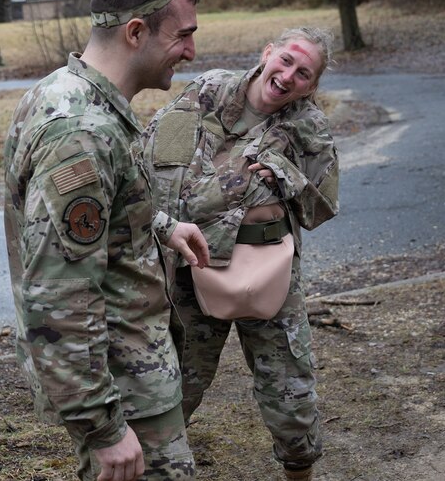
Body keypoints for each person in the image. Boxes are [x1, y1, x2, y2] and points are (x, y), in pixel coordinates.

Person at [3, 0, 211, 481]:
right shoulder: (81, 133)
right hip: (122, 388)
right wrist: (103, 429)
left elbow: (99, 217)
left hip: (127, 374)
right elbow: (57, 297)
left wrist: (162, 227)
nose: (191, 50)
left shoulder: (71, 94)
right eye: (182, 35)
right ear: (136, 32)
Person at [142, 27, 339, 481]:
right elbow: (151, 160)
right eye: (286, 60)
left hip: (268, 269)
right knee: (174, 386)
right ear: (268, 52)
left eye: (304, 73)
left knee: (291, 399)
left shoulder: (308, 126)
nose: (288, 76)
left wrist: (285, 175)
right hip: (194, 263)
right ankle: (153, 467)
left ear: (311, 85)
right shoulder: (209, 91)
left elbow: (323, 205)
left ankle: (299, 473)